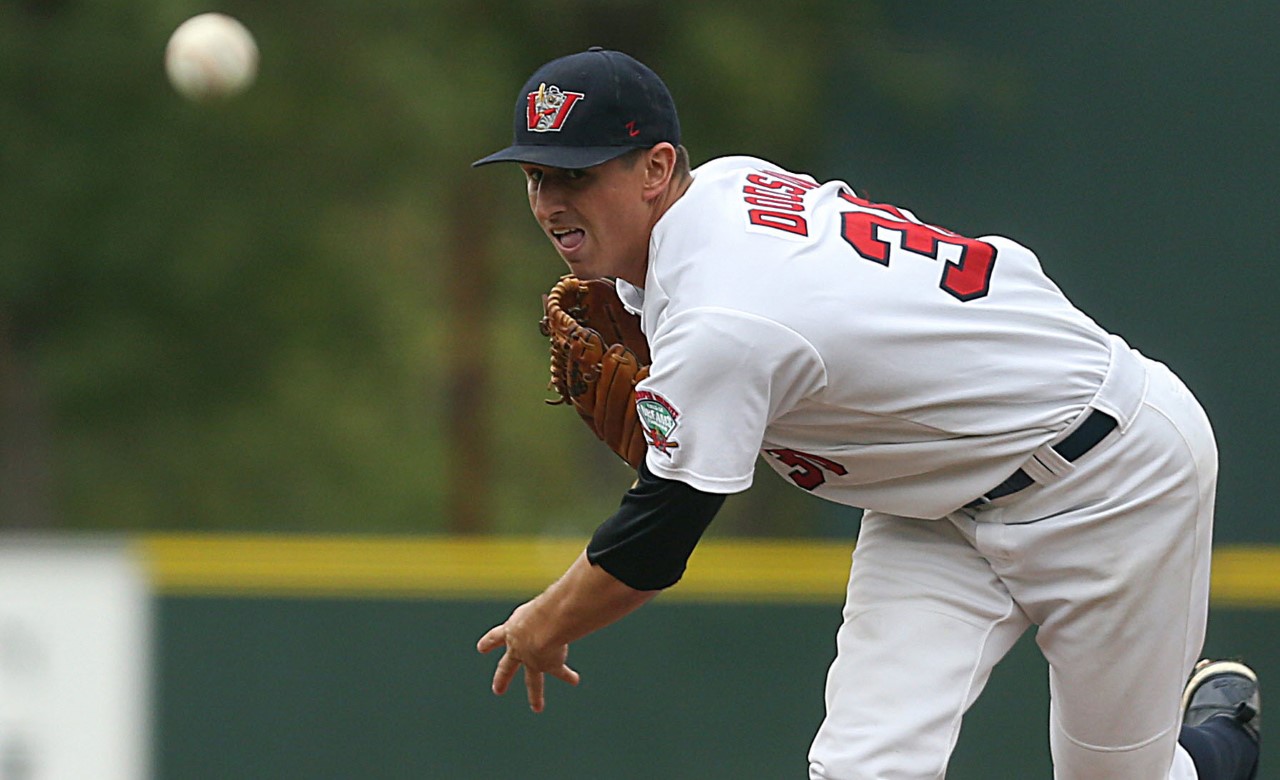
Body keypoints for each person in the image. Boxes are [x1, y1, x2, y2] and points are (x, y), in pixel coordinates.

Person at [471, 47, 1261, 780]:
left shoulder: (723, 319)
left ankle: (1221, 740)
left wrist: (547, 621)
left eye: (577, 175)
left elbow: (655, 543)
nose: (550, 201)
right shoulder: (721, 191)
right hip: (932, 501)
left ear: (657, 167)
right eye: (537, 176)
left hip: (1110, 474)